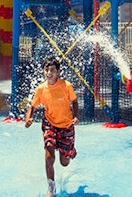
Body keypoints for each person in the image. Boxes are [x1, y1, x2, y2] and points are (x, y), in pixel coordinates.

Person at [24, 56, 79, 197]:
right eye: (46, 70)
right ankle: (51, 188)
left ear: (58, 71)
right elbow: (32, 106)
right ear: (43, 71)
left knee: (64, 162)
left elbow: (74, 102)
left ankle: (70, 151)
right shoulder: (41, 89)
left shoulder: (66, 86)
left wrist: (75, 117)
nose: (49, 73)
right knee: (49, 157)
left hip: (66, 125)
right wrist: (28, 118)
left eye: (52, 70)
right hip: (50, 124)